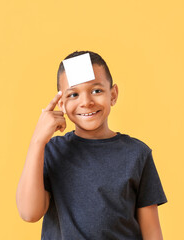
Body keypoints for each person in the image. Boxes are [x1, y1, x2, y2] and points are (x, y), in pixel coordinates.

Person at [16, 51, 168, 239]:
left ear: (113, 95)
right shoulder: (52, 151)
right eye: (73, 94)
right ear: (61, 104)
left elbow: (152, 232)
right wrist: (37, 141)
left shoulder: (137, 154)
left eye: (96, 91)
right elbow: (29, 213)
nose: (86, 102)